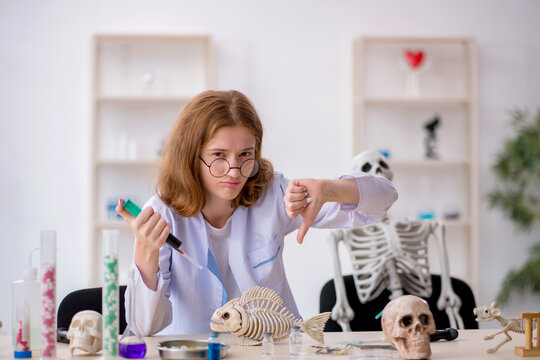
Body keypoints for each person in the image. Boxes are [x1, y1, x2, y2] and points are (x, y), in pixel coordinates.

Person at [116, 90, 398, 335]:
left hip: (274, 350)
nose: (235, 171)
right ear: (191, 155)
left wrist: (331, 189)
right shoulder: (162, 213)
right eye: (218, 156)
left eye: (245, 155)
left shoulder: (273, 195)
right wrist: (146, 249)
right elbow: (144, 327)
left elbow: (385, 198)